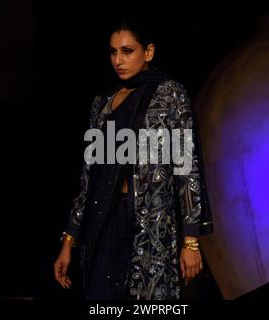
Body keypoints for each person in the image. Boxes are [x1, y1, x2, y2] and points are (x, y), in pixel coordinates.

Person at [54, 19, 213, 300]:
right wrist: (69, 240)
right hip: (102, 219)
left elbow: (187, 167)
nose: (118, 60)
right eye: (113, 52)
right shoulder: (102, 102)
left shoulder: (170, 94)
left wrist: (191, 241)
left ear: (148, 52)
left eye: (127, 51)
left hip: (150, 222)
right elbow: (88, 176)